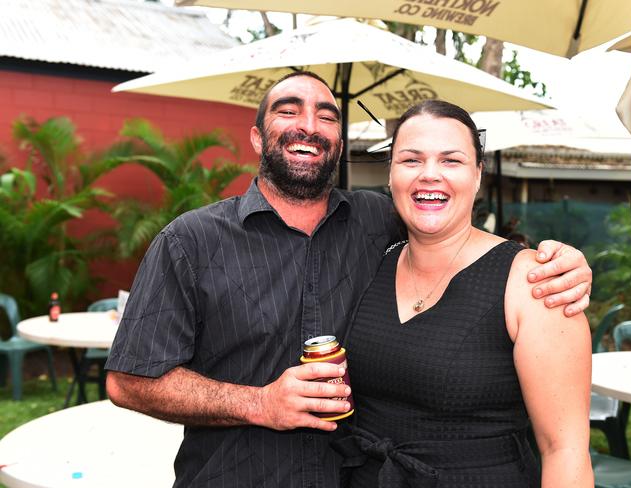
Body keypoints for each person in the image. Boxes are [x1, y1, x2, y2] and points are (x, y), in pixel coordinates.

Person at [105, 72, 593, 488]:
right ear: (256, 137)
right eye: (288, 110)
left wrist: (559, 258)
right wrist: (259, 403)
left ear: (339, 143)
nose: (309, 125)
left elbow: (452, 233)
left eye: (327, 115)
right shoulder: (191, 241)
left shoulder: (376, 224)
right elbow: (129, 381)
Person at [334, 100, 592, 487]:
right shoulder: (374, 262)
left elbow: (565, 450)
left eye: (451, 160)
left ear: (477, 175)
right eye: (411, 160)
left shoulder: (535, 282)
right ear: (390, 175)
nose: (429, 175)